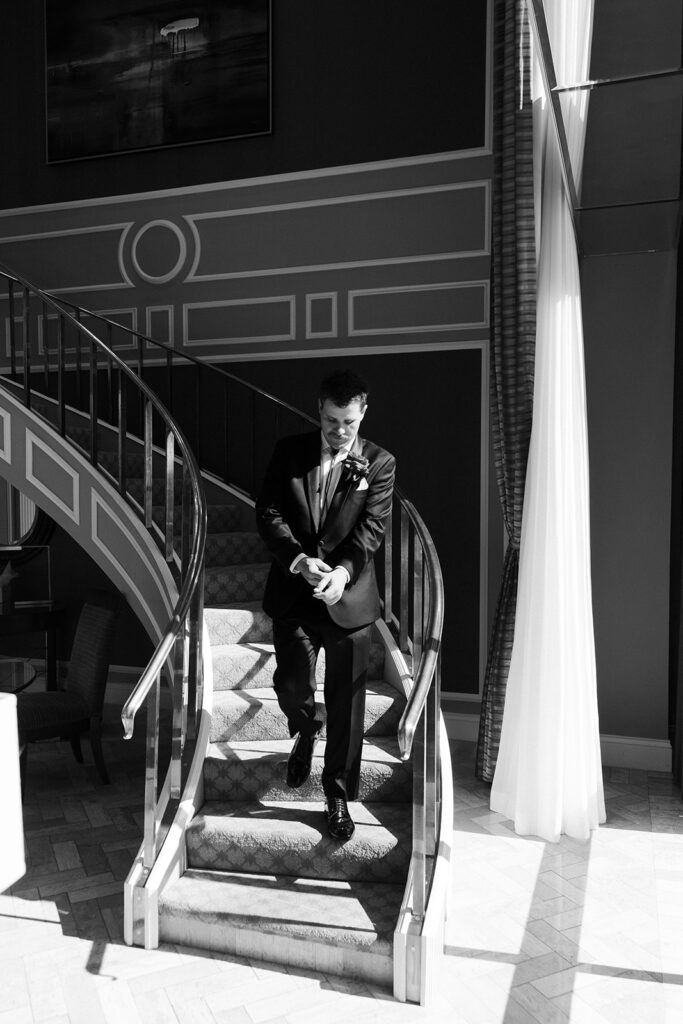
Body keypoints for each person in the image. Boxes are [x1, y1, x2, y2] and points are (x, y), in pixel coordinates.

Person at [255, 369, 395, 840]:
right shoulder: (287, 451)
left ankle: (337, 794)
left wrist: (341, 573)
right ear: (319, 409)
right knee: (292, 685)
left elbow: (371, 529)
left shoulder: (379, 463)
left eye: (349, 422)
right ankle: (306, 727)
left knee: (347, 702)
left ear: (363, 413)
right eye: (333, 420)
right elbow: (268, 512)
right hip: (294, 590)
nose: (340, 431)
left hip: (349, 598)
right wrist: (297, 560)